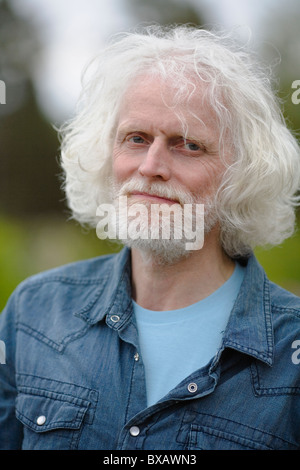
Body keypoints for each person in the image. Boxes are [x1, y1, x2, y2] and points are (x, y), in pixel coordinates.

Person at [1, 24, 300, 451]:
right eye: (136, 138)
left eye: (188, 145)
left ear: (243, 177)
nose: (151, 166)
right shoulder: (32, 313)